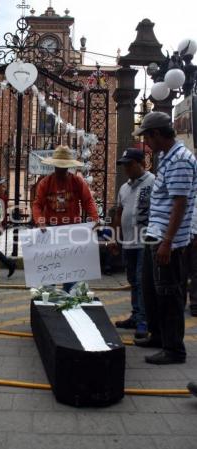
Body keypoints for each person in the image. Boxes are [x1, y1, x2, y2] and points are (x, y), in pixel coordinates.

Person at [133, 112, 197, 364]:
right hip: (156, 234)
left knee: (170, 293)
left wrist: (168, 242)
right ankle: (158, 335)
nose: (146, 142)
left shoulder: (180, 159)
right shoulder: (166, 157)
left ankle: (174, 349)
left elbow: (180, 203)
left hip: (167, 240)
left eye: (147, 136)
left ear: (157, 134)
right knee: (153, 289)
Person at [32, 145, 98, 292]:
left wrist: (95, 219)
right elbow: (37, 205)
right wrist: (40, 221)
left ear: (68, 166)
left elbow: (88, 201)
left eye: (64, 167)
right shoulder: (45, 183)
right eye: (58, 166)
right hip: (51, 230)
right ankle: (48, 299)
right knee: (50, 271)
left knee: (71, 270)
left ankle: (70, 298)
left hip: (72, 231)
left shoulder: (77, 182)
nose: (61, 170)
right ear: (54, 165)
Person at [112, 148, 155, 339]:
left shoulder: (153, 182)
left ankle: (144, 321)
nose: (126, 168)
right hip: (128, 242)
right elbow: (119, 213)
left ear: (141, 163)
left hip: (145, 243)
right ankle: (136, 315)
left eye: (130, 164)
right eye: (124, 165)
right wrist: (115, 238)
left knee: (141, 281)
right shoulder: (124, 188)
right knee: (132, 281)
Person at [183, 195, 197, 316]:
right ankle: (180, 301)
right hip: (182, 234)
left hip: (195, 235)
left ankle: (195, 303)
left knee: (195, 271)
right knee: (181, 271)